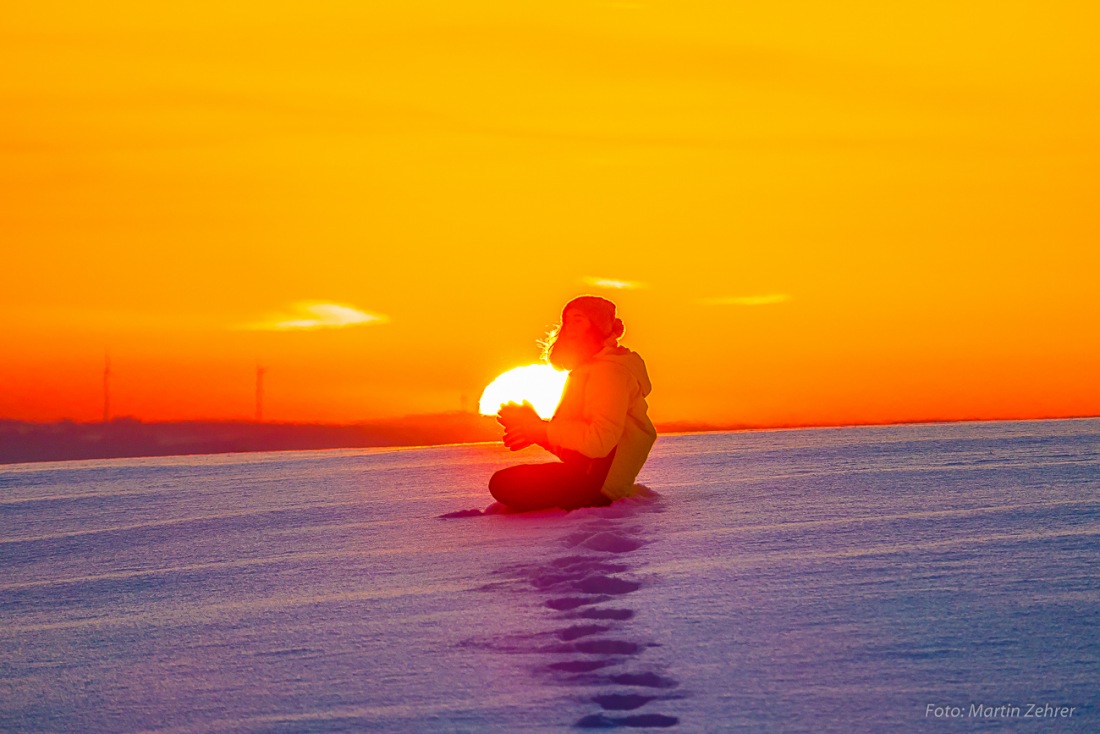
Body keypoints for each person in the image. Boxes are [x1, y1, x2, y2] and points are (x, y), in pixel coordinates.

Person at [489, 295, 657, 512]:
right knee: (505, 482)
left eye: (578, 320)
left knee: (504, 484)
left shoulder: (609, 372)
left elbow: (599, 442)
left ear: (598, 327)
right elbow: (580, 453)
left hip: (597, 487)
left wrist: (540, 429)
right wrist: (534, 429)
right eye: (566, 321)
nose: (569, 328)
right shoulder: (589, 369)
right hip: (589, 478)